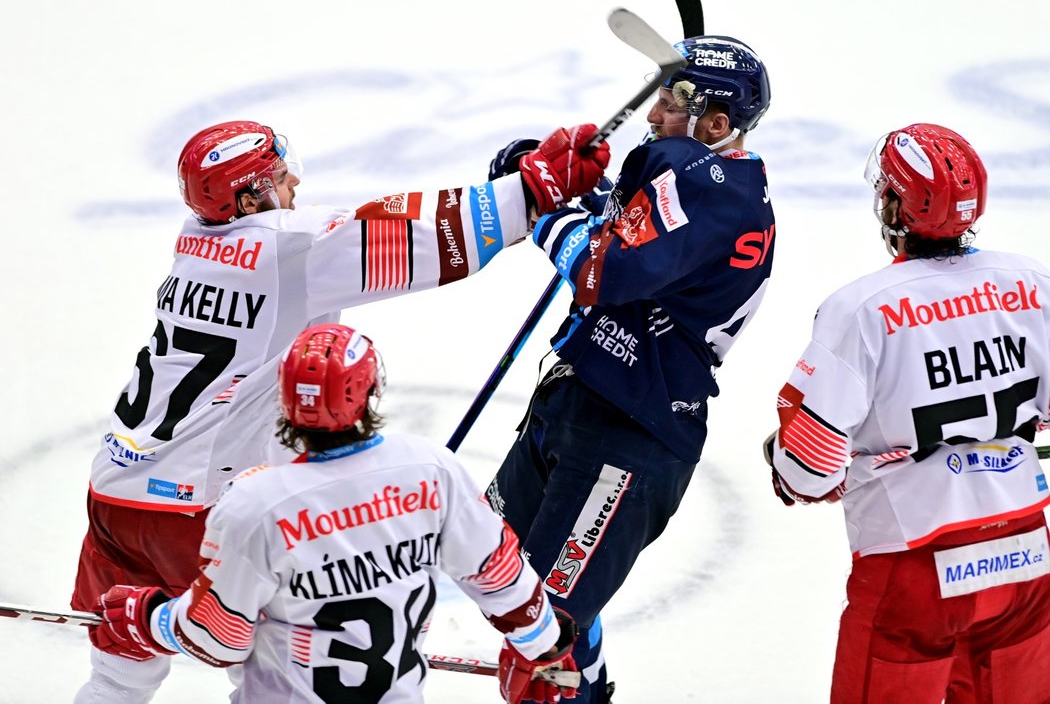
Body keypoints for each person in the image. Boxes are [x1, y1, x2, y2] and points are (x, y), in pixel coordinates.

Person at [71, 119, 609, 702]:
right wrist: (528, 192)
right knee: (267, 671)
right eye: (279, 176)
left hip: (115, 492)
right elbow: (419, 235)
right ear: (250, 197)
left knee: (118, 676)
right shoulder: (288, 248)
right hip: (199, 505)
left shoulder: (193, 243)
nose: (294, 181)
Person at [484, 35, 774, 702]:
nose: (651, 116)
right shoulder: (696, 175)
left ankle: (572, 680)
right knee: (493, 572)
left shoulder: (715, 191)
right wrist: (532, 174)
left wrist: (546, 209)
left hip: (630, 439)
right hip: (583, 397)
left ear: (716, 124)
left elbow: (602, 269)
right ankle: (581, 669)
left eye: (670, 102)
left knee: (541, 650)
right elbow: (620, 228)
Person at [88, 323, 582, 703]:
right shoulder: (429, 469)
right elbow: (501, 578)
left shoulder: (254, 503)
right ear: (370, 392)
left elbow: (219, 639)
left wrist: (149, 616)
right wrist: (543, 646)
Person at [765, 123, 1050, 703]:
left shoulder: (862, 308)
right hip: (1026, 558)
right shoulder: (1033, 283)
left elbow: (809, 470)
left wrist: (784, 462)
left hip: (912, 568)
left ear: (894, 205)